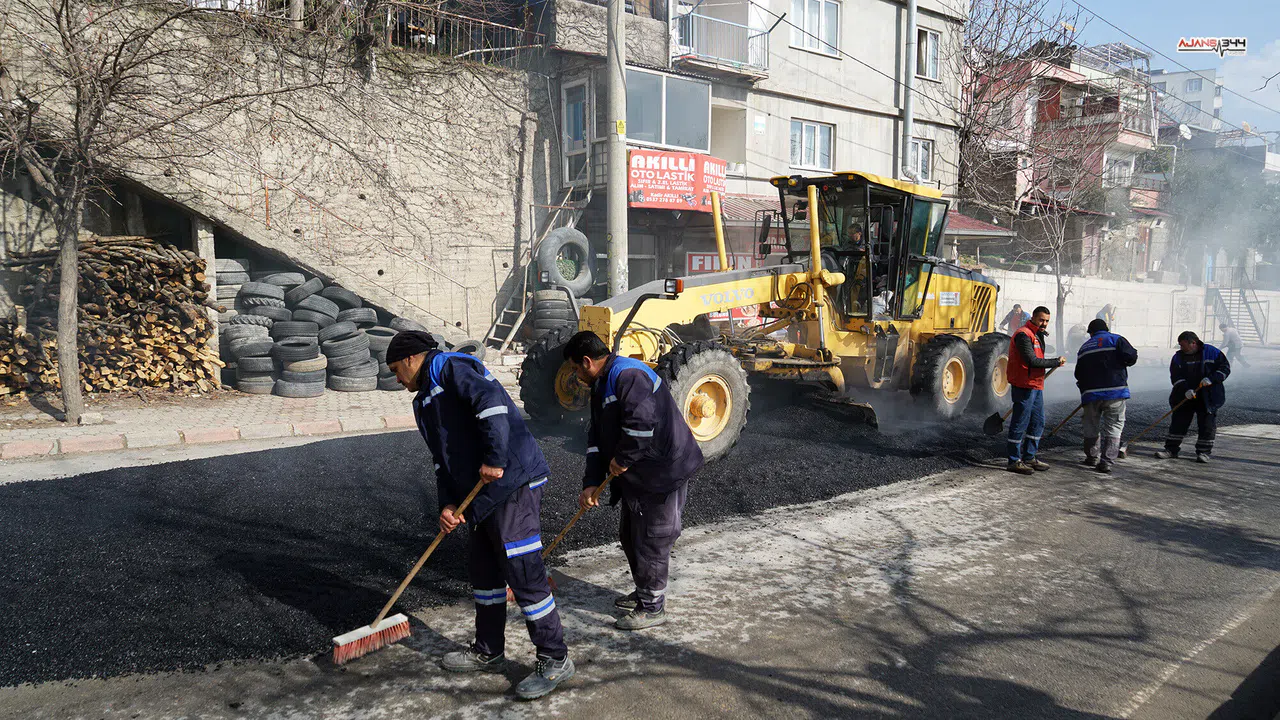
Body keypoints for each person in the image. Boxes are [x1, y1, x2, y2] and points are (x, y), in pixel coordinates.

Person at [386, 331, 573, 700]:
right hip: (481, 495)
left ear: (411, 358)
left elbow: (492, 406)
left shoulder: (452, 368)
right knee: (484, 570)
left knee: (522, 569)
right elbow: (444, 462)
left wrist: (494, 458)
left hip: (513, 480)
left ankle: (555, 657)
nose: (396, 378)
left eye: (395, 369)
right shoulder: (424, 401)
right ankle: (490, 651)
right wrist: (448, 504)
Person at [563, 331, 704, 631]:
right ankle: (644, 592)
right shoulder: (602, 384)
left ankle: (653, 607)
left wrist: (623, 459)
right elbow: (596, 437)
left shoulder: (628, 376)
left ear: (587, 362)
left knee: (653, 536)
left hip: (662, 469)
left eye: (575, 368)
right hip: (640, 472)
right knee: (630, 534)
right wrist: (591, 481)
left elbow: (641, 428)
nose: (575, 375)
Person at [1006, 306, 1067, 475]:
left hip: (1036, 385)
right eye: (1041, 320)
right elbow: (1031, 360)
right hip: (1024, 385)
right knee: (1020, 422)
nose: (1044, 323)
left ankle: (1029, 457)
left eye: (1047, 321)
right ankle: (1013, 460)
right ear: (1033, 317)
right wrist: (1055, 361)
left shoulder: (1037, 335)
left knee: (1038, 422)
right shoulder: (1023, 334)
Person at [1074, 319, 1138, 474]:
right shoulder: (1116, 340)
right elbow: (1132, 357)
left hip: (1090, 395)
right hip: (1115, 392)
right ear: (1106, 329)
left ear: (1091, 332)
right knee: (1114, 426)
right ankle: (1106, 462)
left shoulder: (1084, 347)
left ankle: (1091, 457)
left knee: (1090, 426)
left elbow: (1078, 373)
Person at [1156, 331, 1230, 463]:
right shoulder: (1178, 357)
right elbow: (1176, 377)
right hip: (1187, 395)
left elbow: (1225, 368)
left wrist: (1211, 379)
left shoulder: (1212, 352)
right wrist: (1185, 390)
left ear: (1193, 343)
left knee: (1206, 424)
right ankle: (1171, 450)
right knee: (1178, 423)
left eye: (1183, 345)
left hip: (1208, 396)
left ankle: (1204, 452)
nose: (1181, 348)